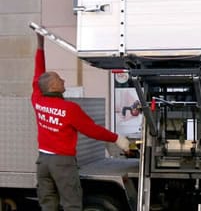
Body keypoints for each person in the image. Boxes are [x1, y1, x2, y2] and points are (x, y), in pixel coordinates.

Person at [31, 29, 130, 211]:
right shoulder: (69, 109)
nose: (63, 80)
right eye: (59, 79)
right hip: (62, 163)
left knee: (47, 204)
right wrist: (117, 138)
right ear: (53, 86)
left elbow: (38, 75)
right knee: (71, 204)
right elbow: (92, 130)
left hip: (43, 162)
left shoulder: (37, 99)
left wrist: (40, 46)